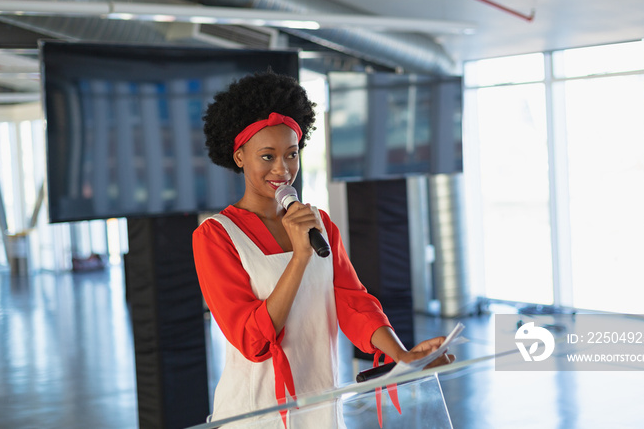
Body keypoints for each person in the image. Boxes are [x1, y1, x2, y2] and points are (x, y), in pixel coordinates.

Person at [192, 70, 453, 428]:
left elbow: (354, 303)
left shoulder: (320, 223)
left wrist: (403, 355)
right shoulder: (216, 236)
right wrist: (300, 258)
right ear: (239, 157)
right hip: (255, 416)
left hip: (320, 408)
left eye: (291, 154)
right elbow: (251, 340)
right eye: (267, 157)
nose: (283, 169)